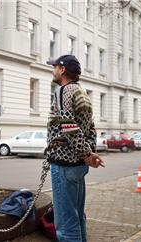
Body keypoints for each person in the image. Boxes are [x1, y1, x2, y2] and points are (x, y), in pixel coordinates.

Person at [46, 54, 105, 242]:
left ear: (62, 70)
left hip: (64, 165)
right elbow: (91, 128)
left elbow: (68, 125)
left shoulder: (64, 91)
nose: (53, 70)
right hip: (77, 165)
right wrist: (88, 154)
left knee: (65, 224)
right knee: (77, 218)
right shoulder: (82, 93)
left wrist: (87, 153)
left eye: (54, 66)